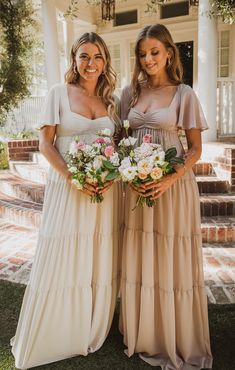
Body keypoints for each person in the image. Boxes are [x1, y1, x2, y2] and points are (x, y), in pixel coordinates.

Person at [11, 32, 123, 369]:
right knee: (64, 252)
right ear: (73, 59)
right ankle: (58, 330)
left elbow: (115, 146)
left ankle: (90, 325)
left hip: (103, 192)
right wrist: (74, 177)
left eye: (98, 57)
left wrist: (107, 175)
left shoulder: (112, 101)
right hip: (68, 188)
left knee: (97, 254)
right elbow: (45, 144)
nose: (91, 64)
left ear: (105, 61)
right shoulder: (58, 94)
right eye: (84, 56)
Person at [119, 24, 213, 370]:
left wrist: (168, 180)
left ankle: (175, 335)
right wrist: (127, 174)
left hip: (172, 188)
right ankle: (145, 333)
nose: (148, 59)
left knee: (170, 256)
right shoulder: (129, 92)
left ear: (169, 52)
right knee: (142, 254)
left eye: (154, 52)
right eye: (142, 53)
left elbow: (195, 149)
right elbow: (118, 141)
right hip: (137, 189)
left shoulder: (184, 93)